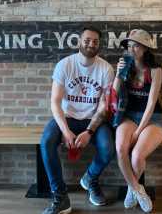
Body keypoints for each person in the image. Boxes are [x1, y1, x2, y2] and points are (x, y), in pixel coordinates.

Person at [40, 26, 115, 214]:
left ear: (99, 45)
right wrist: (65, 131)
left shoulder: (105, 68)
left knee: (108, 148)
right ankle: (60, 196)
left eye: (95, 41)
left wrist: (90, 131)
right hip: (67, 118)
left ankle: (90, 179)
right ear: (79, 41)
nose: (91, 44)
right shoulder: (65, 65)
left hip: (93, 121)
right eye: (87, 40)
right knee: (47, 141)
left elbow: (104, 106)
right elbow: (55, 102)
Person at [113, 29, 162, 213]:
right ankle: (138, 189)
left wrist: (138, 131)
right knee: (120, 149)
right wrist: (118, 74)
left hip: (152, 118)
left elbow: (151, 103)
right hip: (128, 115)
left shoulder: (155, 70)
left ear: (145, 48)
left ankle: (131, 187)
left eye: (136, 45)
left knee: (136, 155)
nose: (131, 49)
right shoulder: (125, 65)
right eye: (129, 46)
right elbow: (114, 94)